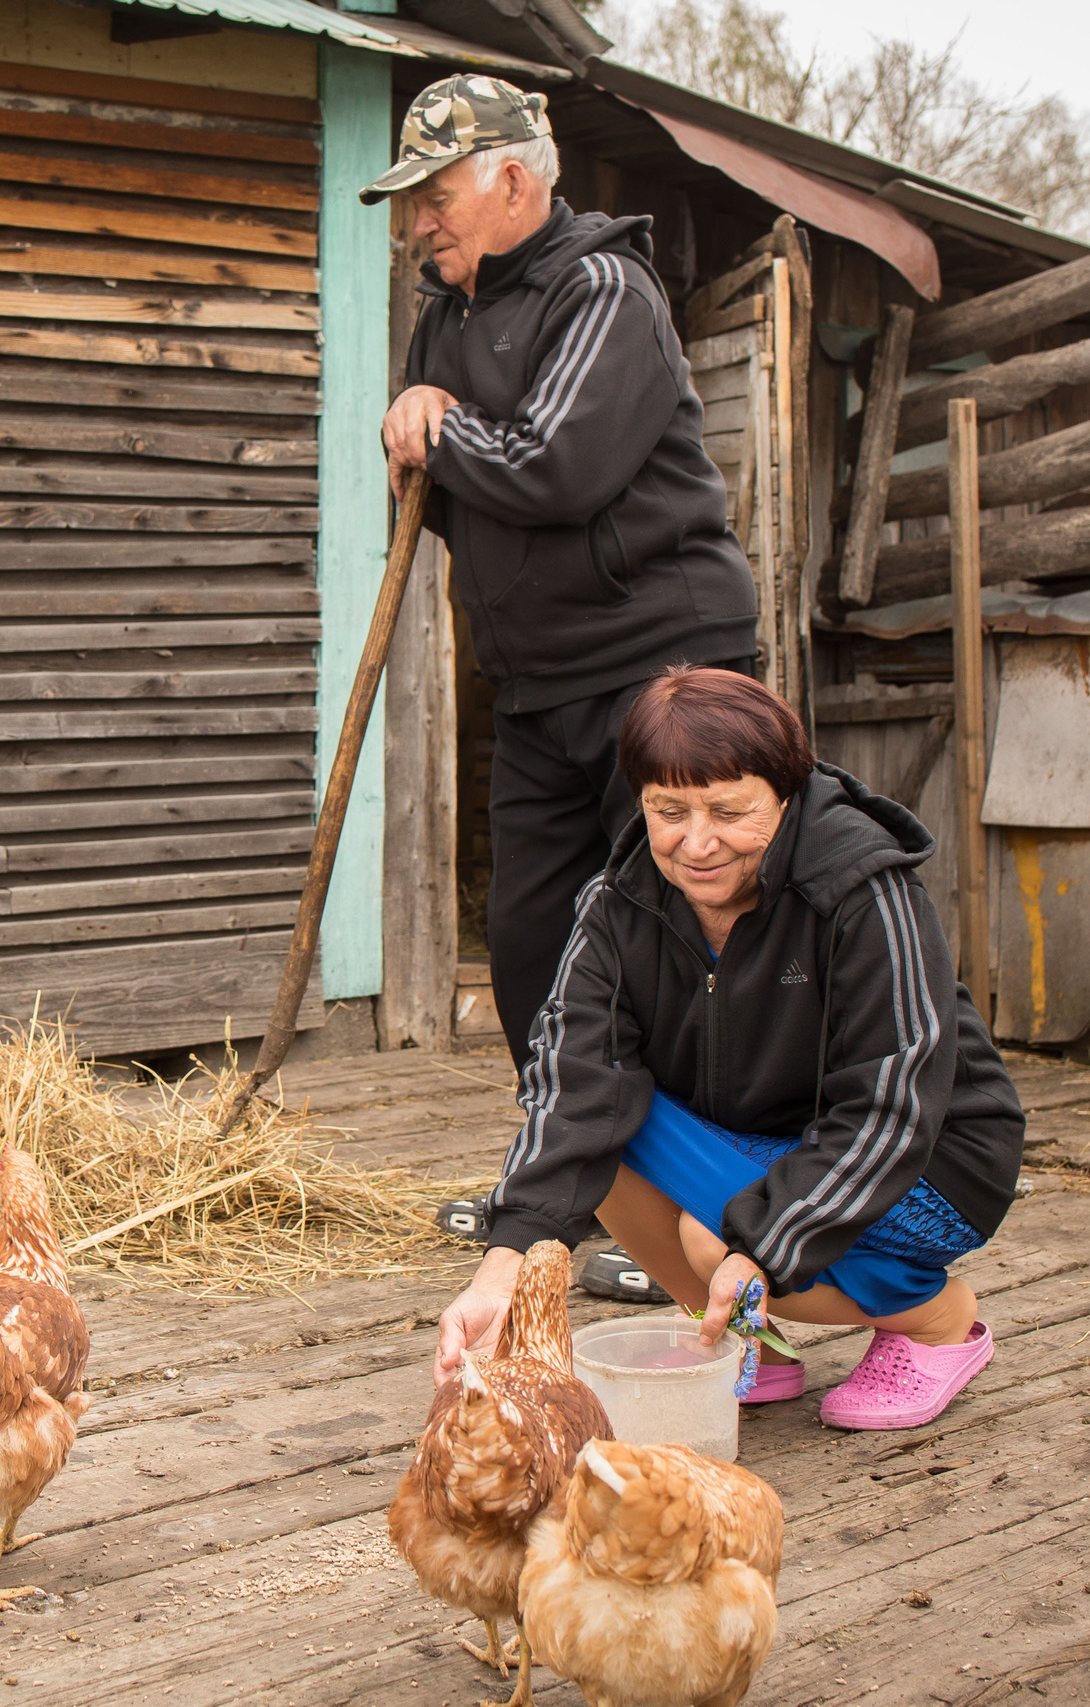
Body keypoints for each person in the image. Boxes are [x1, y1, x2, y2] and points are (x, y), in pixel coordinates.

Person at [431, 667, 1027, 1430]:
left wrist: (764, 1247)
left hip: (934, 1156)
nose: (697, 842)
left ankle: (939, 1318)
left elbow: (896, 1098)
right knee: (603, 1134)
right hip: (766, 1140)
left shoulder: (861, 887)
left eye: (730, 810)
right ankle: (756, 1341)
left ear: (786, 792)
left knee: (715, 1239)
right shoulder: (620, 904)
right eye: (668, 810)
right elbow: (572, 1084)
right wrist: (504, 1262)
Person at [365, 76, 759, 1073]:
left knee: (682, 933)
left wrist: (442, 425)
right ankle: (560, 1190)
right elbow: (450, 502)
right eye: (410, 203)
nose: (417, 223)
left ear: (508, 181)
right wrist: (415, 440)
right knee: (530, 943)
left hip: (660, 669)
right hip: (539, 682)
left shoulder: (602, 288)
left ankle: (694, 1210)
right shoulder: (445, 318)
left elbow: (555, 468)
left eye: (434, 197)